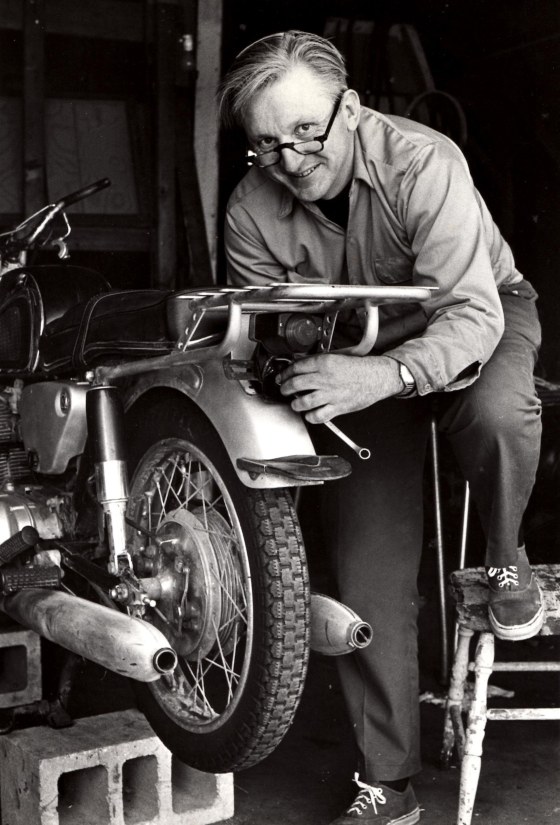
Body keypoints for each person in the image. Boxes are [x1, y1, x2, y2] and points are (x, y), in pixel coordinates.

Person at [218, 30, 544, 825]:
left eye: (306, 131)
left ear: (351, 108)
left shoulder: (422, 163)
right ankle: (388, 783)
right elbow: (263, 327)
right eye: (267, 144)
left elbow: (470, 312)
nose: (291, 159)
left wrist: (389, 372)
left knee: (499, 413)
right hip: (353, 355)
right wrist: (297, 354)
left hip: (477, 316)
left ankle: (506, 557)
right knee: (366, 560)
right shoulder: (249, 209)